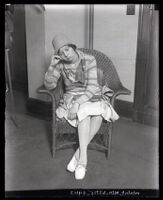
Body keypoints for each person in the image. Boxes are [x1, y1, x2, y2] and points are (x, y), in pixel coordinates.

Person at [44, 34, 119, 180]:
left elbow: (92, 87)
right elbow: (49, 85)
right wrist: (52, 67)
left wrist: (78, 103)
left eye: (67, 49)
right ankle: (82, 161)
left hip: (91, 94)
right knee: (88, 114)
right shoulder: (60, 64)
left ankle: (78, 156)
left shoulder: (89, 59)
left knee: (94, 113)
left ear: (72, 47)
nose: (65, 54)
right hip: (71, 97)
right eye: (61, 52)